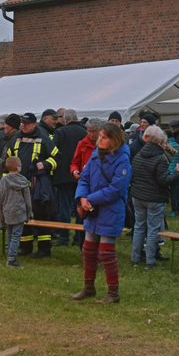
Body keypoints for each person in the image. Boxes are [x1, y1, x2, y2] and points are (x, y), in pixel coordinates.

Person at [72, 123, 132, 304]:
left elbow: (116, 189)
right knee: (88, 250)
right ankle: (88, 287)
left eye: (104, 137)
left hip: (110, 210)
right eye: (100, 136)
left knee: (106, 253)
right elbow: (85, 177)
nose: (99, 140)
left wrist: (89, 199)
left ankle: (113, 293)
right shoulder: (95, 154)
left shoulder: (123, 160)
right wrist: (82, 197)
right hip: (92, 209)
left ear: (114, 140)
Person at [0, 112, 61, 259]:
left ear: (35, 124)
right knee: (21, 213)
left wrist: (45, 164)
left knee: (41, 213)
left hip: (38, 184)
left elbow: (57, 157)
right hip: (19, 183)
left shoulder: (44, 139)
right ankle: (25, 246)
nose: (24, 126)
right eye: (23, 123)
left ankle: (44, 249)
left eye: (27, 123)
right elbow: (7, 159)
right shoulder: (16, 139)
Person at [130, 125, 178, 268]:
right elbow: (163, 180)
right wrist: (177, 174)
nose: (165, 146)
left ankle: (135, 259)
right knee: (152, 229)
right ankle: (150, 261)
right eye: (164, 143)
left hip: (138, 196)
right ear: (158, 143)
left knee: (139, 227)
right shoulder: (160, 159)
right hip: (154, 198)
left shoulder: (138, 155)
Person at [52, 109, 87, 246]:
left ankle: (64, 237)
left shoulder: (60, 132)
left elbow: (54, 151)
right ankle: (78, 237)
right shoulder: (84, 132)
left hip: (63, 175)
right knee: (80, 207)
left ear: (65, 119)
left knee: (65, 208)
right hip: (81, 175)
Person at [0, 156, 32, 268]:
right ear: (18, 167)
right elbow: (27, 200)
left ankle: (10, 255)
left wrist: (1, 217)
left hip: (8, 211)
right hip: (19, 212)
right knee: (16, 236)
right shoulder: (23, 181)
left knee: (11, 235)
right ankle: (11, 259)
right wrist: (28, 214)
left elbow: (1, 199)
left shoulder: (4, 180)